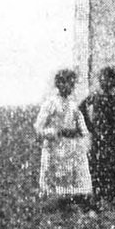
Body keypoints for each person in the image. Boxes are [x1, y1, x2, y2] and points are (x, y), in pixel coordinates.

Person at [79, 66, 115, 206]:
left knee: (113, 165)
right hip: (97, 137)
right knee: (96, 165)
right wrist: (89, 126)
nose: (105, 82)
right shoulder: (95, 96)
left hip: (111, 137)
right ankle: (98, 196)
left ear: (114, 81)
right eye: (103, 79)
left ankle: (113, 197)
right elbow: (81, 109)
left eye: (109, 79)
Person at [34, 68, 93, 210]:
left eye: (72, 85)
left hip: (71, 147)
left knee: (75, 175)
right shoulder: (50, 104)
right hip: (55, 146)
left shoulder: (73, 105)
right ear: (59, 84)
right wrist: (56, 132)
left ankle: (74, 202)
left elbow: (82, 126)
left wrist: (82, 135)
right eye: (67, 84)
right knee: (56, 177)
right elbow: (39, 128)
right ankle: (56, 204)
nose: (70, 88)